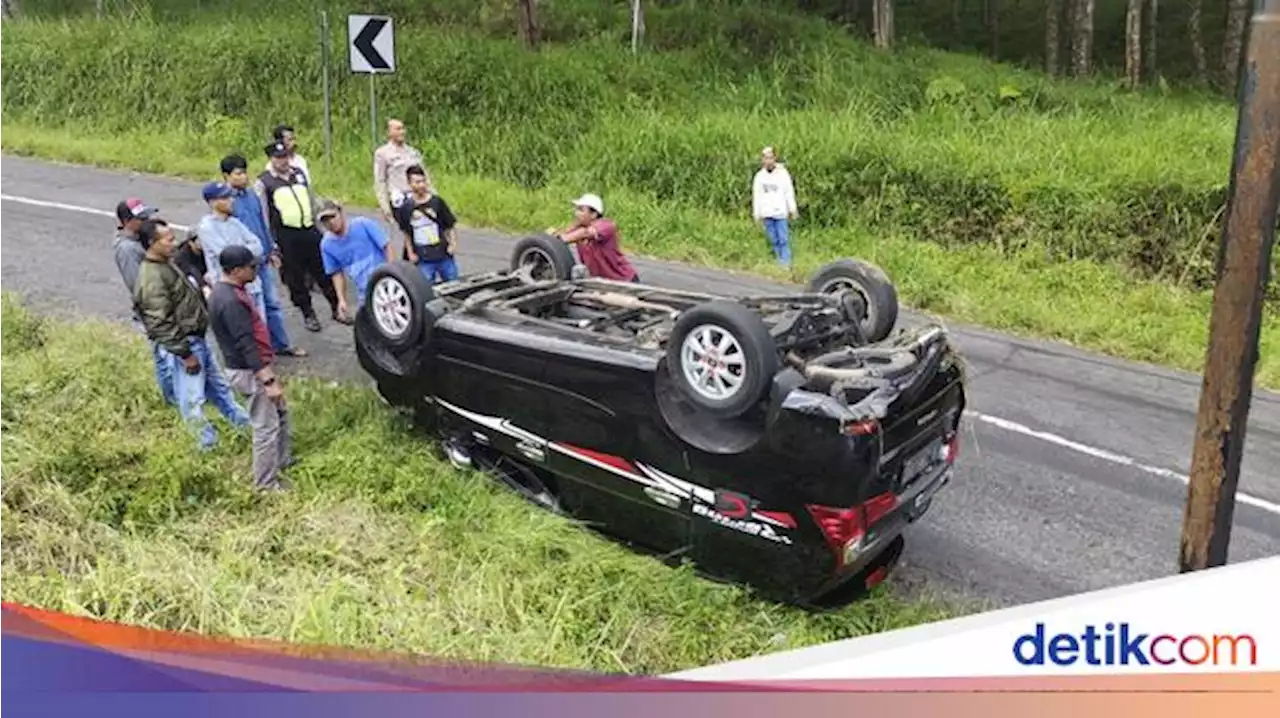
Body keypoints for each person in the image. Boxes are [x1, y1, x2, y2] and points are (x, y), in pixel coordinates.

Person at [132, 218, 250, 450]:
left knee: (221, 390)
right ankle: (206, 447)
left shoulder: (166, 264)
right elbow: (159, 322)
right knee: (192, 401)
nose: (173, 243)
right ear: (151, 244)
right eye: (168, 240)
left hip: (197, 340)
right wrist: (185, 354)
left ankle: (246, 429)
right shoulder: (152, 278)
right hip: (185, 346)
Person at [208, 245, 294, 493]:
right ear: (236, 271)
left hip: (251, 368)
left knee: (279, 414)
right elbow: (246, 343)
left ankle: (281, 460)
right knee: (265, 426)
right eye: (251, 267)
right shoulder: (231, 301)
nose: (255, 270)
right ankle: (265, 485)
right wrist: (267, 380)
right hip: (250, 371)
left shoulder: (226, 292)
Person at [254, 140, 344, 332]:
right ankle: (308, 313)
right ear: (271, 160)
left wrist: (322, 221)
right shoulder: (264, 182)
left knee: (324, 270)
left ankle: (337, 307)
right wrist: (271, 243)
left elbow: (311, 200)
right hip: (287, 235)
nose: (283, 161)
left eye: (285, 156)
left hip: (309, 230)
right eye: (278, 158)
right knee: (295, 277)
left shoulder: (299, 174)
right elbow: (263, 214)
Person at [220, 153, 304, 357]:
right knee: (253, 309)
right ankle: (260, 351)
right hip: (243, 265)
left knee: (272, 304)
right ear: (226, 176)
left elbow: (263, 224)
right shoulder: (226, 202)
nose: (243, 177)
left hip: (262, 260)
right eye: (238, 173)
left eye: (244, 172)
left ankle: (280, 344)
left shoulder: (252, 196)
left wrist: (272, 249)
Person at [112, 196, 176, 407]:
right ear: (128, 221)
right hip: (153, 311)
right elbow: (139, 285)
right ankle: (173, 399)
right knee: (165, 356)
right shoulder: (127, 249)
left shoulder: (138, 240)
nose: (147, 221)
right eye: (142, 218)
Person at [196, 181, 267, 321]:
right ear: (212, 202)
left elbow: (258, 246)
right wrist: (243, 248)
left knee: (261, 329)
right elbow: (228, 255)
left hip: (252, 285)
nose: (231, 200)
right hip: (231, 291)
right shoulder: (207, 227)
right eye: (225, 198)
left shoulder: (234, 222)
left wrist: (240, 249)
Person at [317, 199, 396, 319]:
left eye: (332, 217)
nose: (330, 223)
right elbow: (336, 273)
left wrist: (395, 273)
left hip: (386, 281)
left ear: (341, 213)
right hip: (365, 291)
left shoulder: (363, 224)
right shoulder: (326, 244)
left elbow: (386, 246)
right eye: (325, 221)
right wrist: (342, 300)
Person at [548, 193, 639, 283]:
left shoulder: (606, 225)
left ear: (594, 214)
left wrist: (563, 239)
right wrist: (551, 237)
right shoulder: (579, 228)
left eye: (581, 210)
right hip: (600, 282)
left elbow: (586, 233)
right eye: (576, 209)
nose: (576, 213)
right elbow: (560, 237)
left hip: (624, 280)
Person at [392, 165, 460, 284]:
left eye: (423, 181)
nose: (422, 185)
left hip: (443, 254)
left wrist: (453, 244)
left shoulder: (437, 202)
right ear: (410, 184)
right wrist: (411, 253)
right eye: (417, 182)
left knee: (454, 284)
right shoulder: (406, 208)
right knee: (427, 290)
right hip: (423, 258)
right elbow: (406, 232)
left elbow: (449, 224)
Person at [751, 146, 798, 267]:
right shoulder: (760, 177)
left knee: (783, 239)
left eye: (770, 158)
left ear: (775, 158)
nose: (768, 161)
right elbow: (757, 196)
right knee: (773, 239)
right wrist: (757, 214)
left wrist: (792, 209)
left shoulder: (782, 174)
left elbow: (788, 192)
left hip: (780, 212)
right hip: (767, 212)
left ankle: (786, 262)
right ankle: (778, 260)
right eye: (765, 158)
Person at [373, 118, 427, 222]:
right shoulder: (383, 153)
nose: (402, 132)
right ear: (389, 132)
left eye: (402, 128)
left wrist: (434, 198)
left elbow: (425, 176)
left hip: (417, 197)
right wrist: (385, 207)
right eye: (397, 129)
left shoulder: (413, 152)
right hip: (400, 200)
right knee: (409, 232)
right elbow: (380, 181)